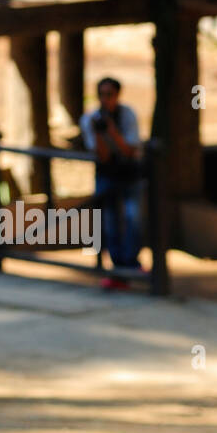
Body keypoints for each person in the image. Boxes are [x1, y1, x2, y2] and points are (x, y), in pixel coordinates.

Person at [80, 77, 145, 290]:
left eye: (110, 94)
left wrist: (114, 133)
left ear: (118, 95)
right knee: (109, 222)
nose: (105, 99)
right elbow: (103, 156)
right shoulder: (91, 119)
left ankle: (130, 263)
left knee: (133, 219)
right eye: (102, 94)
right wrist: (100, 134)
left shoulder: (127, 115)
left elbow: (129, 150)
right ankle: (118, 268)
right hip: (106, 175)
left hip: (129, 174)